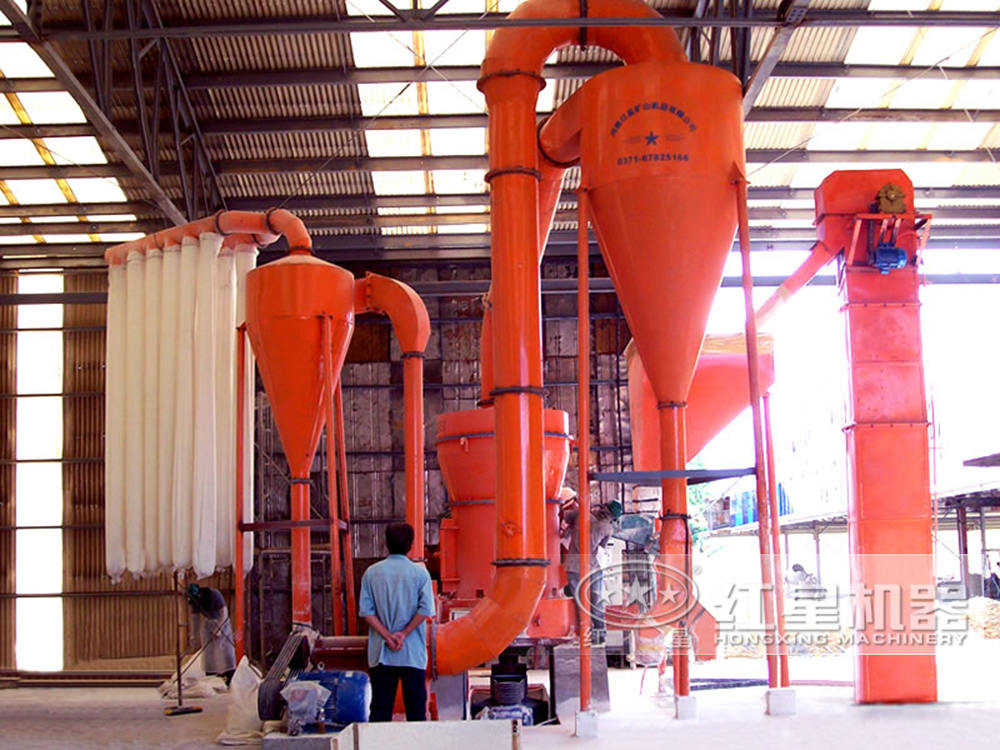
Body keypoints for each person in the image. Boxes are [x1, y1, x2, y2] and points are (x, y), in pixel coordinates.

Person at [358, 522, 435, 722]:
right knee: (416, 714)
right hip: (412, 654)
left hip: (382, 654)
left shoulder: (371, 573)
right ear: (410, 544)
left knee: (380, 712)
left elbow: (366, 612)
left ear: (386, 543)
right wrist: (404, 634)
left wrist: (388, 636)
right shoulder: (420, 574)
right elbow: (426, 610)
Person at [560, 488, 623, 644]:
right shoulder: (606, 527)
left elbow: (561, 518)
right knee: (596, 600)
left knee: (580, 601)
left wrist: (567, 529)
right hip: (592, 567)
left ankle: (586, 633)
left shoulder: (581, 515)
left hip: (575, 566)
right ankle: (599, 634)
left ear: (604, 507)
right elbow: (600, 547)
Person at [186, 584, 236, 685]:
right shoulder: (194, 600)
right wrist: (194, 635)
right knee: (209, 652)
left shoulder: (214, 594)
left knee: (225, 650)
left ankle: (229, 675)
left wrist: (219, 629)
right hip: (208, 623)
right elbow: (195, 619)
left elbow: (224, 612)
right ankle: (211, 675)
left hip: (222, 622)